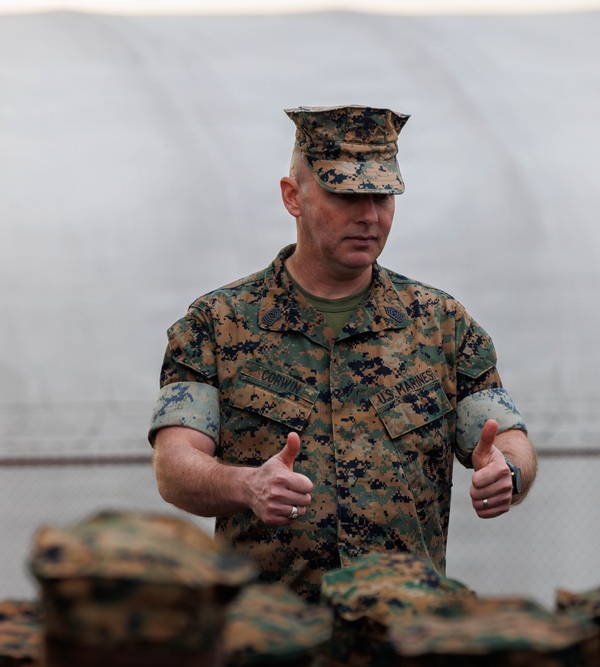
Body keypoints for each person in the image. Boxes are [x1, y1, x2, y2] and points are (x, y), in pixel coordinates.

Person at [149, 104, 538, 603]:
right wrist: (246, 485)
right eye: (346, 193)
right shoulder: (217, 325)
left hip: (402, 636)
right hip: (275, 638)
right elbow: (175, 464)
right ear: (293, 197)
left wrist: (506, 471)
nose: (369, 216)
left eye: (382, 195)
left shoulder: (442, 324)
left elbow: (508, 439)